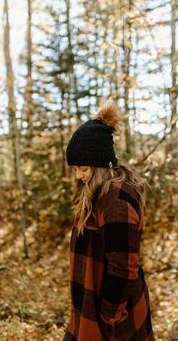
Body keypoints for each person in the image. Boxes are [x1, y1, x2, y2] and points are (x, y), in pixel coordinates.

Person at [64, 101, 155, 341]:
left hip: (114, 319)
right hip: (90, 307)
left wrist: (108, 317)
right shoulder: (100, 193)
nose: (78, 175)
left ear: (100, 165)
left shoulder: (115, 201)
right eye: (75, 168)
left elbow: (123, 268)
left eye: (83, 168)